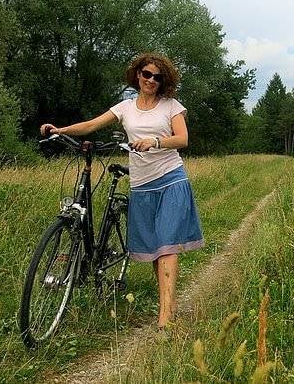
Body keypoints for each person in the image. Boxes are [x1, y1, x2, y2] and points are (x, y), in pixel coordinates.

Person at [39, 52, 204, 329]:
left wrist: (154, 141)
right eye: (147, 74)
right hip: (141, 183)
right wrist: (60, 130)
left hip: (170, 179)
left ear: (163, 81)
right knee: (156, 248)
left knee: (167, 245)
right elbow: (92, 125)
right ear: (138, 75)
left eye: (157, 77)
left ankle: (165, 317)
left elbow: (182, 139)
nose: (151, 80)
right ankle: (169, 303)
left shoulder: (171, 106)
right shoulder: (125, 107)